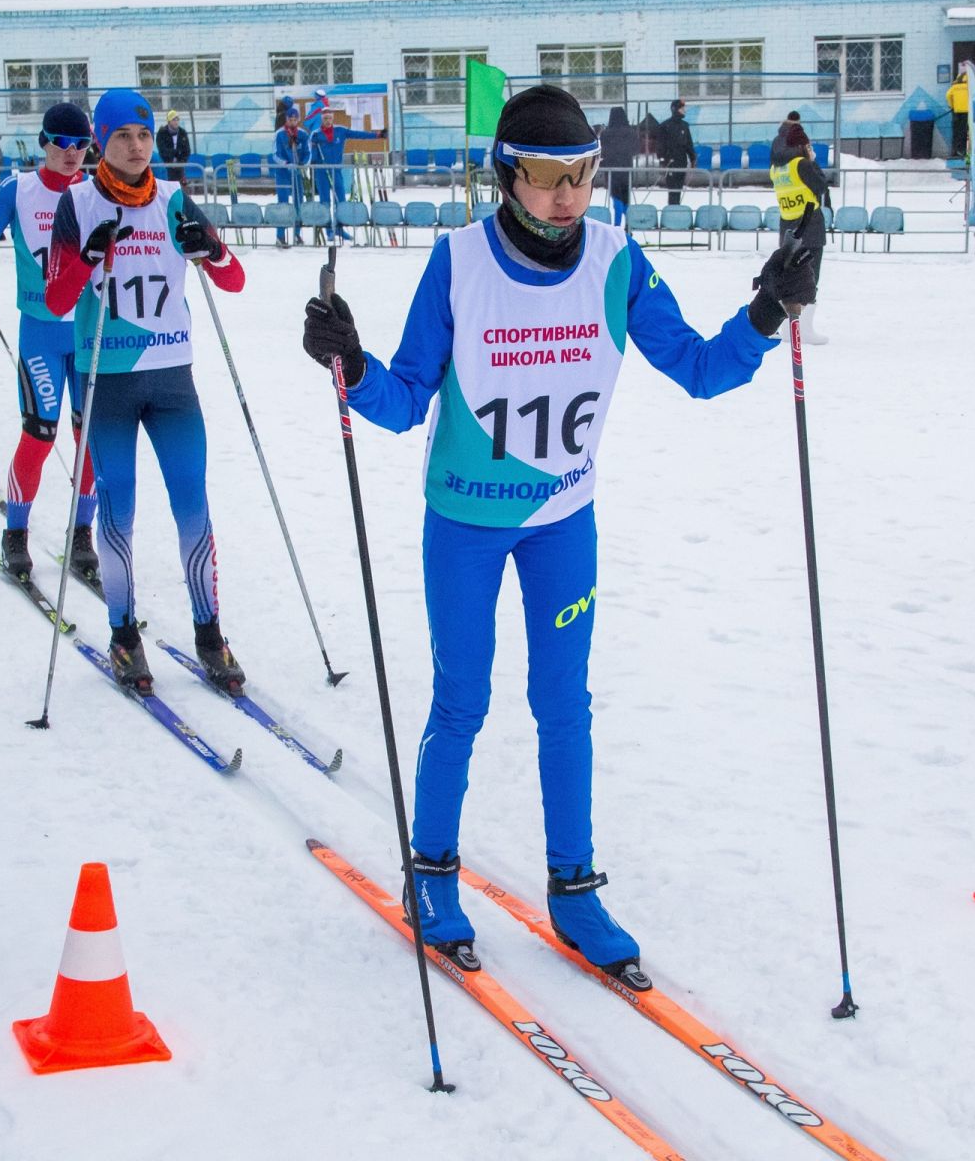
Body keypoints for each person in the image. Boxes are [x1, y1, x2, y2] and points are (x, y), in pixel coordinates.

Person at [298, 84, 816, 984]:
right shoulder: (459, 260)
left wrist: (769, 308)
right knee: (462, 699)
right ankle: (432, 874)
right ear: (507, 176)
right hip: (464, 517)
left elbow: (697, 368)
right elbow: (406, 399)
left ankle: (574, 889)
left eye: (580, 174)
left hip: (561, 523)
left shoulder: (616, 260)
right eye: (545, 176)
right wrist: (349, 362)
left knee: (562, 704)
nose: (566, 194)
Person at [42, 89, 249, 693]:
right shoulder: (77, 202)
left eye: (143, 135)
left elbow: (233, 279)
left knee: (193, 504)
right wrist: (86, 258)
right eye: (121, 137)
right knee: (119, 508)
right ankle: (123, 633)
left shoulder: (173, 198)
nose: (136, 147)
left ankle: (209, 632)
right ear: (101, 142)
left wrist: (209, 248)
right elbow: (57, 301)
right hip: (106, 376)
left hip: (172, 376)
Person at [0, 102, 101, 582]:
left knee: (89, 441)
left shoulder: (96, 191)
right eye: (61, 143)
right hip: (40, 332)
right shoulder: (20, 189)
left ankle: (83, 531)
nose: (71, 153)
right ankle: (15, 533)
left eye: (81, 144)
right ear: (44, 142)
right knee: (39, 436)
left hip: (88, 335)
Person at [771, 120, 829, 345]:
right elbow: (821, 186)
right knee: (810, 278)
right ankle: (803, 329)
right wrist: (812, 162)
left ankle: (787, 327)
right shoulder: (800, 164)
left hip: (788, 230)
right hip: (810, 227)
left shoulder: (777, 169)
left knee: (790, 279)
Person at [308, 105, 381, 242]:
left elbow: (358, 135)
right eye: (325, 118)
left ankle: (339, 229)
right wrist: (314, 157)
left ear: (332, 118)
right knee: (325, 202)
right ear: (322, 119)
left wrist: (376, 135)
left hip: (336, 171)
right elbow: (311, 155)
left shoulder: (340, 131)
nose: (328, 121)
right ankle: (329, 230)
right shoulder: (316, 134)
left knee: (340, 201)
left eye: (330, 118)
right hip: (322, 172)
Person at [272, 103, 310, 247]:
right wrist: (286, 164)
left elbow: (307, 153)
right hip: (283, 173)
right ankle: (280, 235)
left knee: (298, 203)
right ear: (286, 119)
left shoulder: (303, 134)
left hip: (297, 174)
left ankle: (297, 233)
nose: (293, 122)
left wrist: (303, 164)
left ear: (298, 120)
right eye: (290, 119)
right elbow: (275, 154)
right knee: (283, 203)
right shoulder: (279, 134)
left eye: (295, 119)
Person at [598, 106, 639, 225]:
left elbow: (603, 151)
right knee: (626, 198)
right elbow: (636, 150)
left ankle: (616, 225)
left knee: (616, 196)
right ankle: (629, 225)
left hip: (612, 170)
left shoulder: (606, 134)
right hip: (627, 168)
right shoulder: (631, 132)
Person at [656, 98, 695, 207]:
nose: (684, 110)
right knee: (672, 190)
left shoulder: (685, 126)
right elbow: (660, 146)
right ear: (675, 109)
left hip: (681, 162)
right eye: (682, 108)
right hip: (670, 163)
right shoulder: (664, 126)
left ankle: (677, 212)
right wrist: (663, 161)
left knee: (678, 189)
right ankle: (672, 212)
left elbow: (688, 144)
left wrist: (693, 158)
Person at [157, 109, 192, 188]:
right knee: (168, 187)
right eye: (174, 119)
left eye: (177, 119)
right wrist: (172, 157)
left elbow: (187, 150)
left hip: (180, 165)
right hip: (167, 165)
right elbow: (162, 149)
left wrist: (181, 161)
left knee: (181, 188)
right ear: (169, 121)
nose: (176, 122)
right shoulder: (162, 133)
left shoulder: (182, 133)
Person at [946, 71, 972, 157]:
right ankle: (963, 150)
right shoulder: (969, 86)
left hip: (956, 112)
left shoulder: (954, 86)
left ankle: (955, 150)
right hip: (966, 112)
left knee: (956, 131)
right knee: (964, 132)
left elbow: (948, 95)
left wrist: (952, 106)